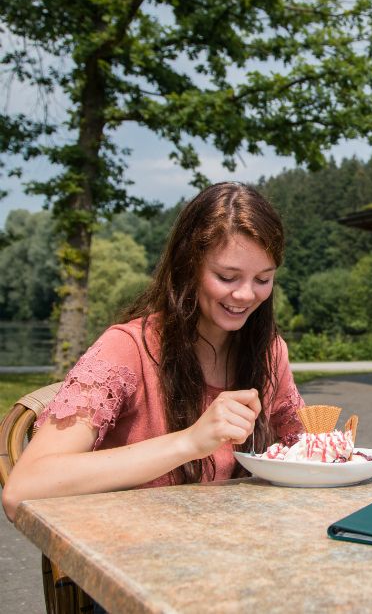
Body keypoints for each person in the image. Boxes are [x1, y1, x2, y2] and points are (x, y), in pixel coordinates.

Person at [3, 182, 304, 521]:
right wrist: (189, 442)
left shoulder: (269, 353)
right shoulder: (126, 348)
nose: (246, 295)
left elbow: (304, 451)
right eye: (227, 277)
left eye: (263, 279)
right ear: (189, 266)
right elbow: (23, 488)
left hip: (238, 554)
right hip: (130, 560)